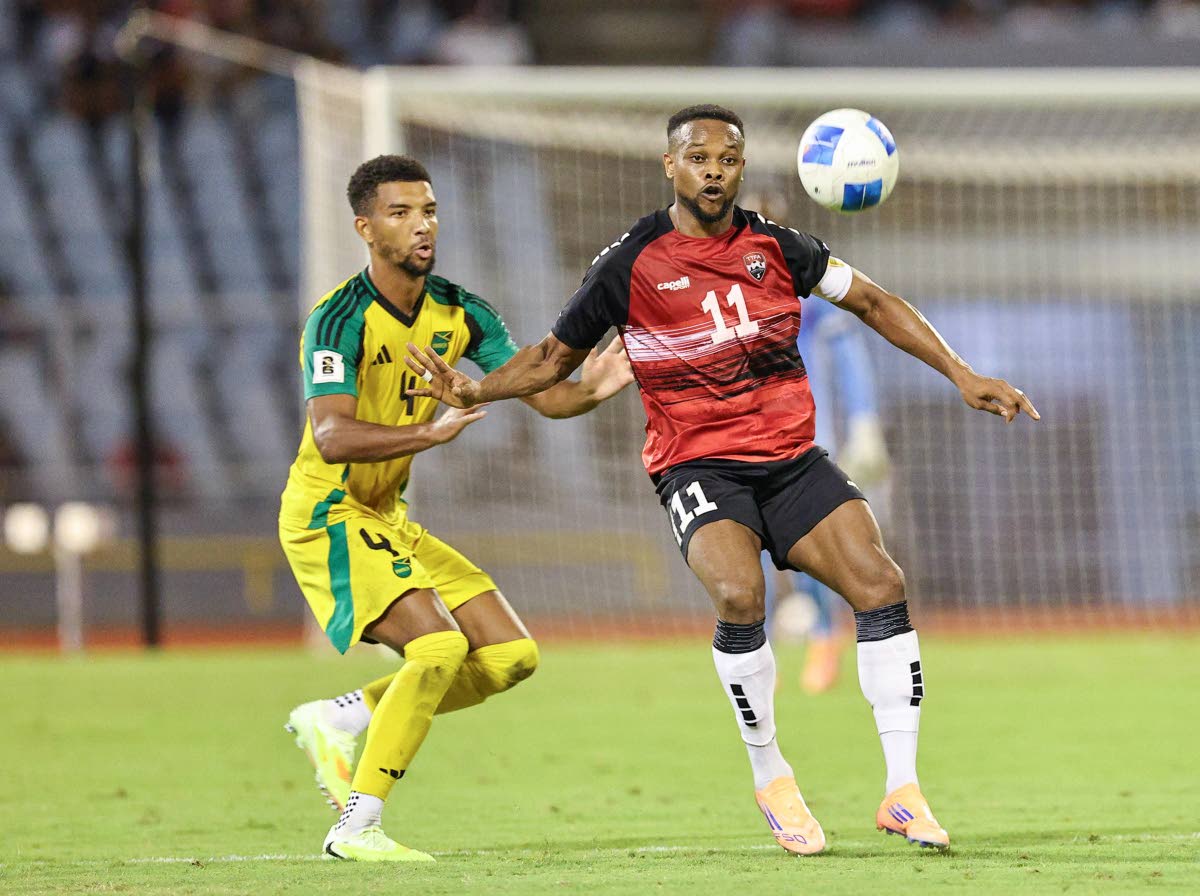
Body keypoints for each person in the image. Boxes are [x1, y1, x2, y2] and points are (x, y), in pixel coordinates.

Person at [407, 105, 1039, 856]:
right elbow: (552, 358)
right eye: (698, 158)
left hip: (791, 461)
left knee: (881, 584)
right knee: (741, 596)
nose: (713, 171)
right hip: (697, 464)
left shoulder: (780, 247)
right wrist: (477, 389)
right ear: (669, 166)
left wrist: (962, 374)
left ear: (741, 167)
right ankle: (772, 776)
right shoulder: (628, 265)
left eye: (727, 159)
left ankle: (902, 791)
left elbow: (871, 300)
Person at [278, 155, 634, 862]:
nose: (422, 226)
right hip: (327, 513)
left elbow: (542, 394)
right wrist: (427, 434)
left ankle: (338, 718)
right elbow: (332, 435)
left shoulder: (460, 309)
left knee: (509, 657)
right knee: (439, 647)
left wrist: (592, 389)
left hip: (386, 517)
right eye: (401, 213)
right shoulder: (338, 318)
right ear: (365, 228)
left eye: (430, 211)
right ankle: (356, 826)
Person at [763, 293, 891, 694]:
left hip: (808, 435)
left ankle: (823, 634)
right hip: (743, 435)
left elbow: (848, 351)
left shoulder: (807, 285)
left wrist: (864, 421)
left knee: (811, 544)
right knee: (745, 542)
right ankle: (759, 650)